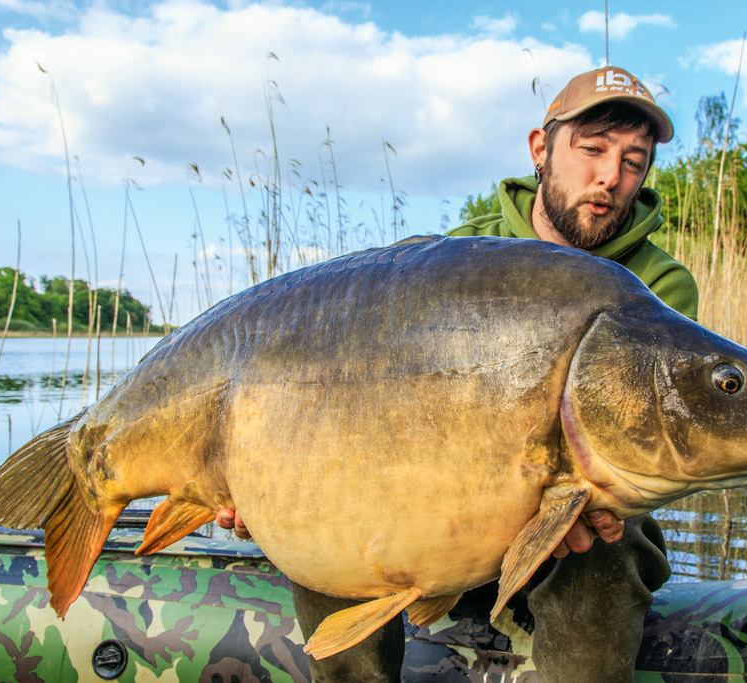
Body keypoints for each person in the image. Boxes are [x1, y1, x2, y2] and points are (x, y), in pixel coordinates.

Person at [216, 66, 697, 682]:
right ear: (541, 149)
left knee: (608, 539)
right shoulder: (464, 253)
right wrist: (268, 480)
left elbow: (657, 440)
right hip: (448, 508)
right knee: (335, 523)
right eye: (593, 149)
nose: (610, 177)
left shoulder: (658, 283)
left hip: (578, 516)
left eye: (634, 161)